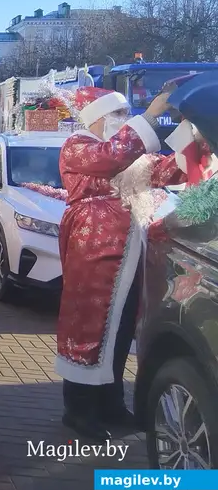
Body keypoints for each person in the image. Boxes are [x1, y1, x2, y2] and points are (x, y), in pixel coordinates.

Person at [55, 86, 200, 440]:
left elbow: (172, 171)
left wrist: (193, 131)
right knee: (89, 323)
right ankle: (78, 409)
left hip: (130, 252)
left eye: (125, 115)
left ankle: (110, 403)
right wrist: (150, 116)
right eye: (117, 115)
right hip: (93, 247)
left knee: (119, 328)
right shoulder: (79, 144)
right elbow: (111, 157)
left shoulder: (128, 151)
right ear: (98, 118)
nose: (123, 121)